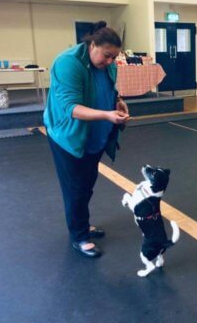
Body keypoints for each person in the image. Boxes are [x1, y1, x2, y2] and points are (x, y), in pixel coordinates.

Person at [44, 21, 129, 258]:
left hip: (95, 134)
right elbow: (71, 108)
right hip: (68, 136)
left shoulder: (108, 65)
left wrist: (118, 102)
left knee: (87, 184)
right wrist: (106, 114)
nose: (110, 62)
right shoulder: (68, 63)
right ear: (93, 45)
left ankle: (82, 223)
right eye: (107, 56)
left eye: (114, 57)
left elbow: (110, 89)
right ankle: (79, 236)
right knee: (75, 188)